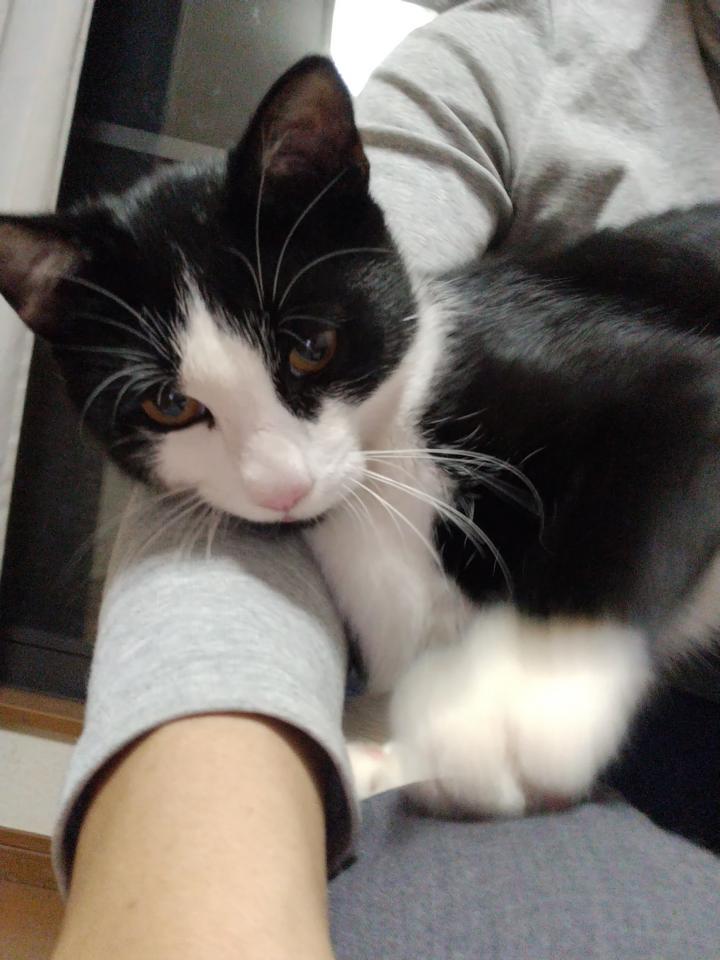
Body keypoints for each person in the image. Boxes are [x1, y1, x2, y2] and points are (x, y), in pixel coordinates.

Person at [50, 2, 720, 958]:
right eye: (171, 409)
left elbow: (687, 417)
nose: (276, 477)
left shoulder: (472, 374)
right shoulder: (534, 45)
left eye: (309, 352)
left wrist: (552, 664)